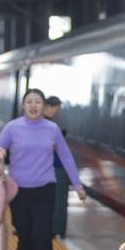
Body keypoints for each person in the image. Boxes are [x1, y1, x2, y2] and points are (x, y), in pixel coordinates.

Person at [0, 89, 86, 250]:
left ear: (43, 106)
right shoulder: (12, 127)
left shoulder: (52, 129)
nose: (33, 105)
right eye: (29, 102)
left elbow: (66, 157)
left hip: (45, 189)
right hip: (18, 192)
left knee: (43, 235)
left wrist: (77, 185)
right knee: (25, 237)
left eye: (37, 102)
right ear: (23, 105)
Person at [44, 96, 71, 239]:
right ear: (50, 106)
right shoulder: (49, 125)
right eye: (57, 109)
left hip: (55, 166)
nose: (57, 112)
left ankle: (55, 229)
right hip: (55, 167)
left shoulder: (50, 124)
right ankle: (55, 229)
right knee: (57, 200)